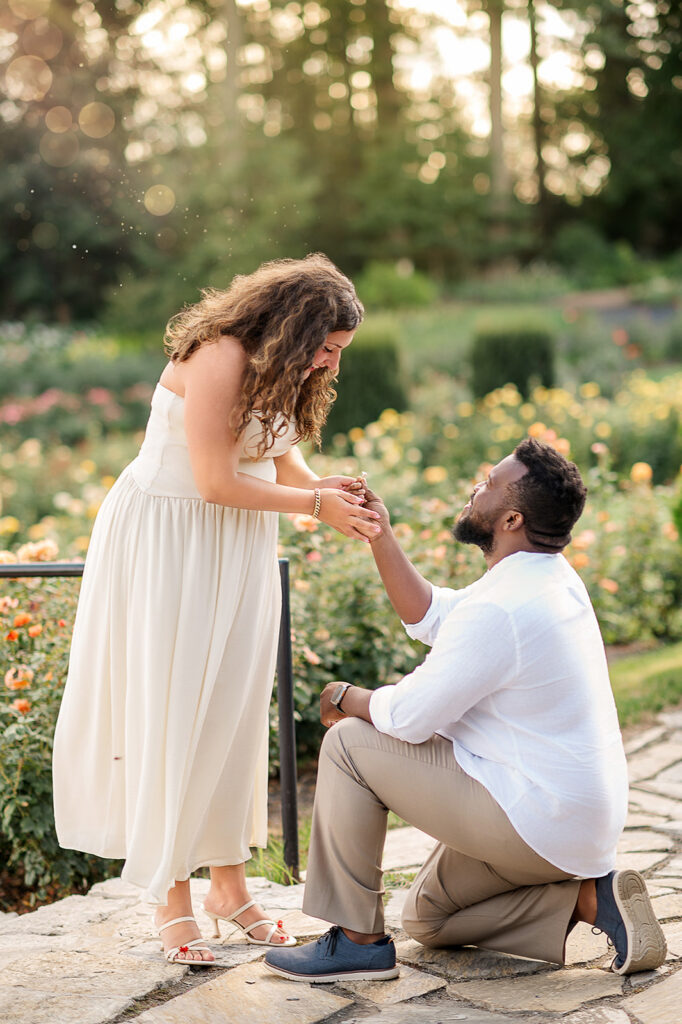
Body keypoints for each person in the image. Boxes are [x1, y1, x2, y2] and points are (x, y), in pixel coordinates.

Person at [52, 254, 382, 967]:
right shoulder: (217, 356)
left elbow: (276, 458)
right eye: (324, 347)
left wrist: (323, 489)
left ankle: (229, 885)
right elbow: (212, 480)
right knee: (174, 708)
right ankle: (171, 897)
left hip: (238, 546)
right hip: (169, 539)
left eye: (337, 353)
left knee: (234, 709)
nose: (328, 363)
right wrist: (313, 507)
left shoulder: (284, 369)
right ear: (293, 325)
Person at [264, 438, 667, 983]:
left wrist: (346, 699)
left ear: (511, 517)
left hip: (535, 816)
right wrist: (379, 534)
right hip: (572, 825)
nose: (477, 487)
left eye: (489, 484)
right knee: (429, 919)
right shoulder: (546, 577)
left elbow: (407, 719)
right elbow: (433, 615)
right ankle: (593, 902)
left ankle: (356, 942)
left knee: (349, 745)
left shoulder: (504, 607)